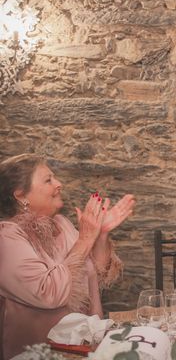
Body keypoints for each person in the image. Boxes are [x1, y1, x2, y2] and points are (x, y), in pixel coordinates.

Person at [0, 154, 135, 359]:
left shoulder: (62, 224)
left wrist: (101, 235)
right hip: (41, 354)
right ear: (20, 196)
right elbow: (49, 294)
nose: (59, 184)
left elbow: (93, 274)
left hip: (86, 348)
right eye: (48, 180)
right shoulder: (7, 238)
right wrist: (85, 238)